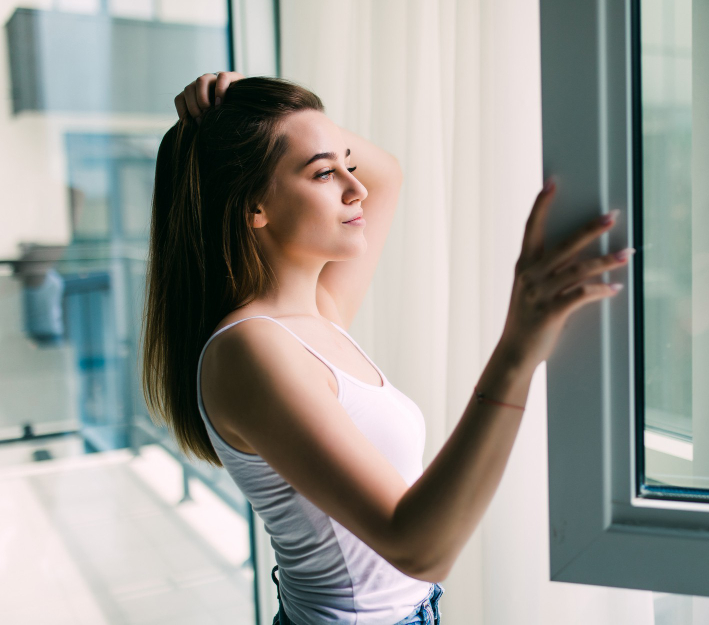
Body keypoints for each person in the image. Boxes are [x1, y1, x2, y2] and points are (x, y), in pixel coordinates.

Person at [141, 72, 633, 625]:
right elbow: (418, 548)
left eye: (347, 164)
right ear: (254, 204)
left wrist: (250, 103)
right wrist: (517, 348)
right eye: (326, 173)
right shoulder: (252, 349)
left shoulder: (315, 314)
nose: (358, 189)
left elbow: (387, 174)